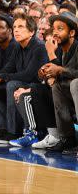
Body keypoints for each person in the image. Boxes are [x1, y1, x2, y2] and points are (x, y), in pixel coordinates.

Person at [0, 13, 48, 144]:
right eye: (15, 26)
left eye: (20, 26)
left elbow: (29, 75)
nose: (16, 29)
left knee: (12, 84)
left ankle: (13, 132)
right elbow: (8, 69)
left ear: (31, 31)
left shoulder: (39, 47)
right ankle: (0, 128)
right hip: (24, 83)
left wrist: (1, 77)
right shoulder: (17, 46)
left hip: (38, 86)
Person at [32, 12, 78, 152]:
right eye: (54, 29)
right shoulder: (57, 48)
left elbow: (65, 71)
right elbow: (55, 73)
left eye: (60, 29)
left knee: (76, 83)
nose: (55, 32)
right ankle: (67, 138)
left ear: (71, 33)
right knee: (55, 87)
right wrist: (45, 72)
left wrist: (59, 70)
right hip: (69, 94)